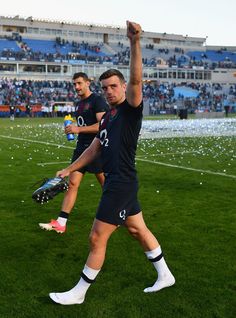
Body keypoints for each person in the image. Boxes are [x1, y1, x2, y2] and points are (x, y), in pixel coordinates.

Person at [49, 21, 175, 305]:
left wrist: (134, 42)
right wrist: (69, 169)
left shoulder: (131, 110)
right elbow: (94, 149)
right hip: (120, 182)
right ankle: (165, 275)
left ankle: (79, 293)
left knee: (96, 237)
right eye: (104, 87)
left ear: (122, 87)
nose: (108, 91)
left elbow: (136, 81)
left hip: (121, 183)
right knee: (136, 229)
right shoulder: (107, 117)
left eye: (113, 86)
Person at [39, 72, 109, 233]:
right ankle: (61, 222)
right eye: (74, 84)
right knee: (72, 184)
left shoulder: (97, 101)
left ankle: (120, 213)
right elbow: (83, 126)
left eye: (79, 83)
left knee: (107, 185)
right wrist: (72, 128)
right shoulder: (79, 104)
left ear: (87, 83)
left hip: (96, 149)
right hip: (81, 149)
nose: (76, 87)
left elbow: (102, 126)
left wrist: (78, 129)